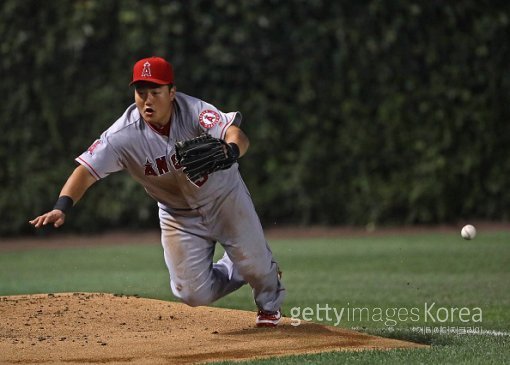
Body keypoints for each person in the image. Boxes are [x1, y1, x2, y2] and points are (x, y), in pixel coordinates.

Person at [29, 56, 285, 327]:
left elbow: (236, 134)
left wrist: (230, 150)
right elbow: (86, 170)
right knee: (192, 293)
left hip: (224, 198)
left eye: (155, 92)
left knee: (256, 265)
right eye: (141, 92)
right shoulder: (122, 135)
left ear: (172, 92)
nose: (147, 100)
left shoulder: (195, 111)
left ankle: (269, 305)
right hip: (178, 215)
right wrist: (61, 206)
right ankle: (239, 267)